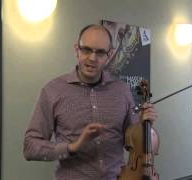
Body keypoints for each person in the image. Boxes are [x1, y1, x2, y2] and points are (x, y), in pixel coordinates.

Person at [23, 24, 157, 180]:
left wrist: (144, 125)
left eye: (100, 52)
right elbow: (30, 147)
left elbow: (132, 143)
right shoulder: (52, 90)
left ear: (110, 55)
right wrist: (73, 147)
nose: (92, 58)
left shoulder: (122, 90)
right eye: (86, 50)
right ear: (76, 50)